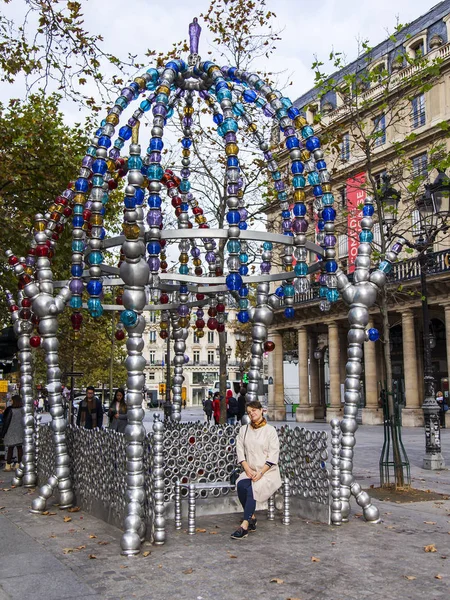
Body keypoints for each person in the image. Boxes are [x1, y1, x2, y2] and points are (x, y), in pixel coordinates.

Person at [231, 400, 282, 540]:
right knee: (241, 486)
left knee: (251, 490)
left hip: (268, 472)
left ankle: (245, 526)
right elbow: (240, 450)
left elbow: (273, 454)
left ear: (261, 410)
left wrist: (261, 472)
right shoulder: (244, 430)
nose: (251, 414)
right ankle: (252, 517)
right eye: (249, 412)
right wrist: (247, 469)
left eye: (254, 410)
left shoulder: (270, 431)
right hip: (251, 470)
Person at [1, 395, 24, 471]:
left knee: (10, 448)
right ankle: (18, 464)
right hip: (20, 431)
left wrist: (3, 433)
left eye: (12, 400)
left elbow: (6, 422)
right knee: (19, 448)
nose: (11, 401)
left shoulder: (10, 410)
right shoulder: (22, 410)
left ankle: (8, 465)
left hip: (11, 431)